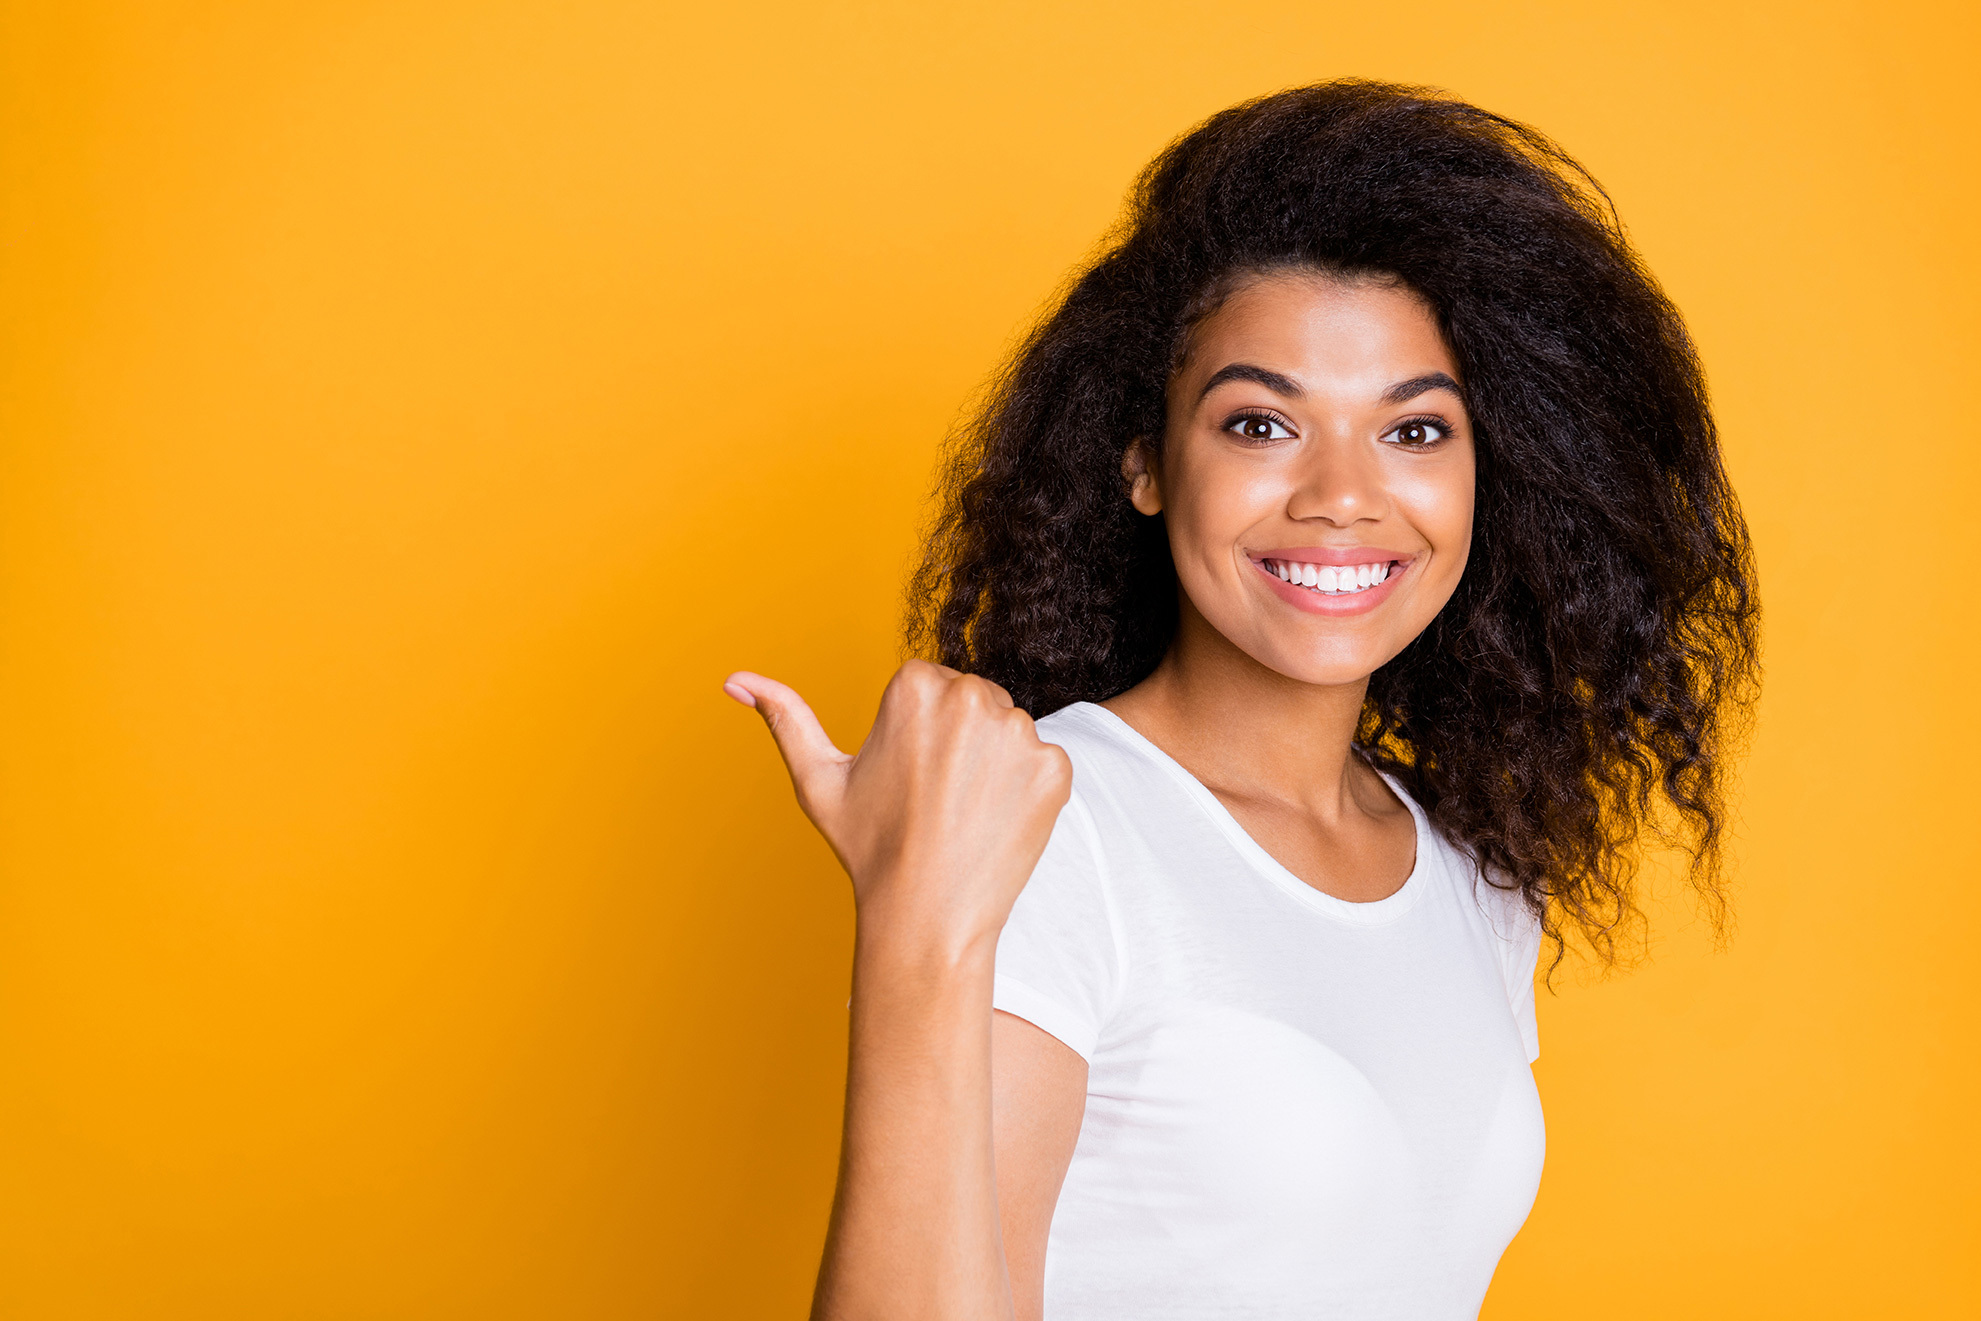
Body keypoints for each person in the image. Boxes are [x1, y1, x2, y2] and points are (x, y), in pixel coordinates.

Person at [723, 80, 1758, 1321]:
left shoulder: (1475, 875)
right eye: (1262, 423)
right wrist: (917, 918)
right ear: (1148, 465)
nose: (1341, 494)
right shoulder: (1047, 828)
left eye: (1415, 433)